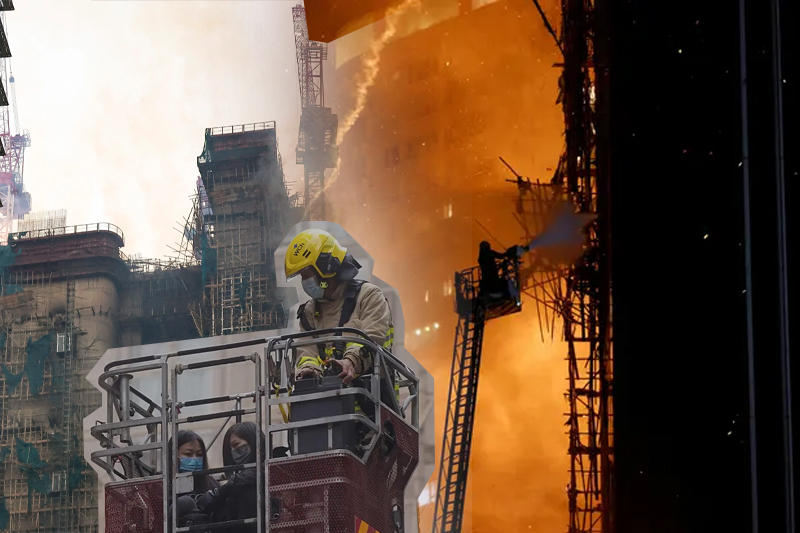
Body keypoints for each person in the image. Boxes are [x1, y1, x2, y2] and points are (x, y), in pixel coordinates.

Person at [284, 229, 394, 385]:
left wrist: (350, 362)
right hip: (328, 405)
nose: (304, 281)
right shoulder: (309, 312)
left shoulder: (368, 295)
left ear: (326, 266)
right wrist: (308, 372)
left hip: (372, 401)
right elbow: (307, 351)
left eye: (306, 273)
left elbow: (372, 338)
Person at [196, 422, 266, 533]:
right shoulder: (237, 484)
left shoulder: (266, 470)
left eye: (236, 445)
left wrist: (217, 493)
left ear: (253, 441)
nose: (233, 452)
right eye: (230, 449)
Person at [167, 430, 218, 529]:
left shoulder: (212, 484)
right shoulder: (161, 485)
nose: (195, 459)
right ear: (173, 457)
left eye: (199, 455)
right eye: (188, 454)